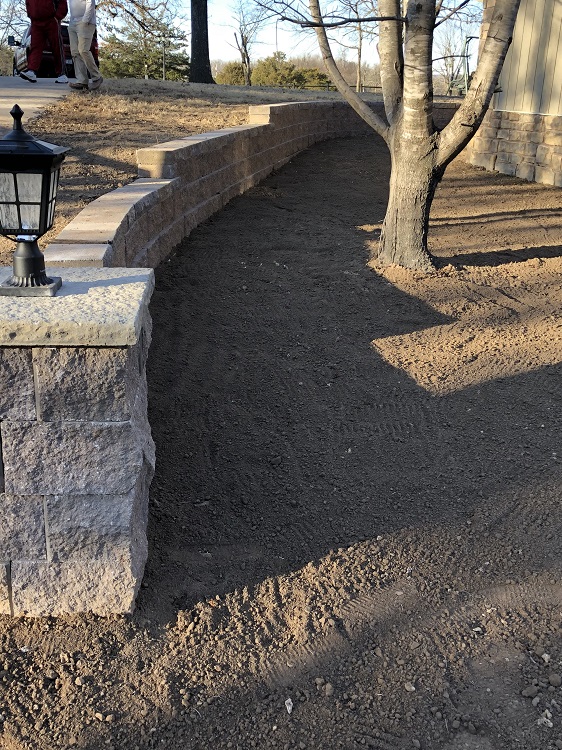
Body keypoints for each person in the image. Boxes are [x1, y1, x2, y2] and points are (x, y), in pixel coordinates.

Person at [21, 0, 69, 84]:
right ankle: (32, 71)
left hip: (51, 20)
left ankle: (62, 74)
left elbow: (62, 2)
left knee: (56, 46)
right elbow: (28, 2)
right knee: (35, 47)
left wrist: (57, 16)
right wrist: (30, 15)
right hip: (36, 21)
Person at [67, 0, 102, 91]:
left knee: (83, 50)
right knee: (75, 52)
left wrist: (85, 20)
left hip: (86, 22)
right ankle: (82, 81)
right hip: (73, 23)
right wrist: (71, 21)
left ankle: (96, 77)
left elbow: (90, 3)